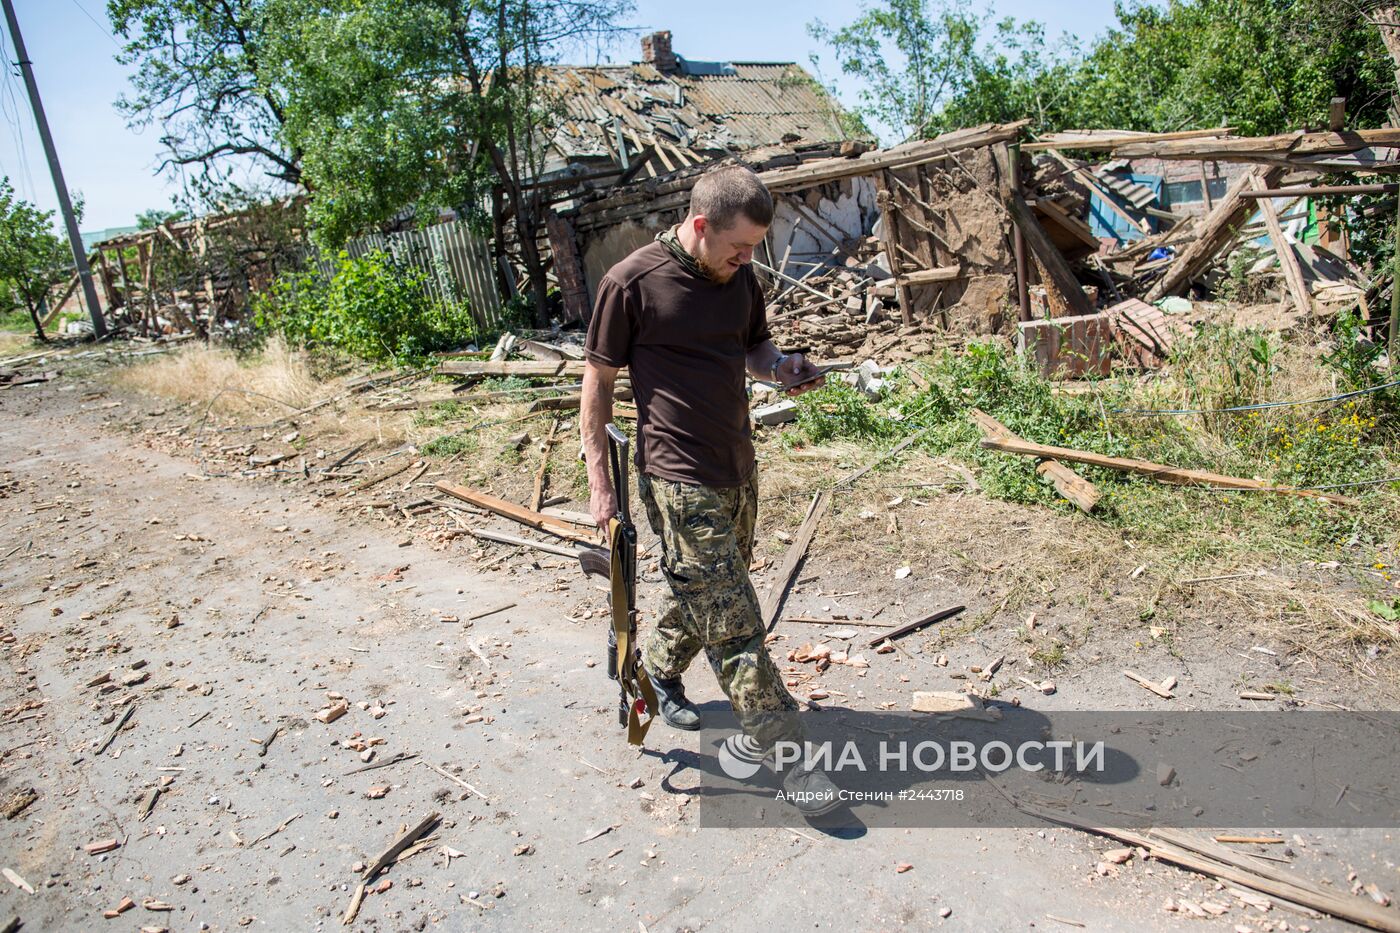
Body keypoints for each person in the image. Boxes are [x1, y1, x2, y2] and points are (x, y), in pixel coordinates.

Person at [580, 164, 839, 817]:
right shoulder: (630, 282)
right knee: (736, 623)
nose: (748, 259)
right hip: (674, 476)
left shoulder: (740, 277)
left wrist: (783, 369)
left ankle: (654, 668)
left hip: (738, 465)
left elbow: (754, 348)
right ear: (700, 225)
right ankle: (792, 761)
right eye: (739, 246)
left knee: (709, 590)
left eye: (753, 247)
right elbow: (598, 385)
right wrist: (600, 484)